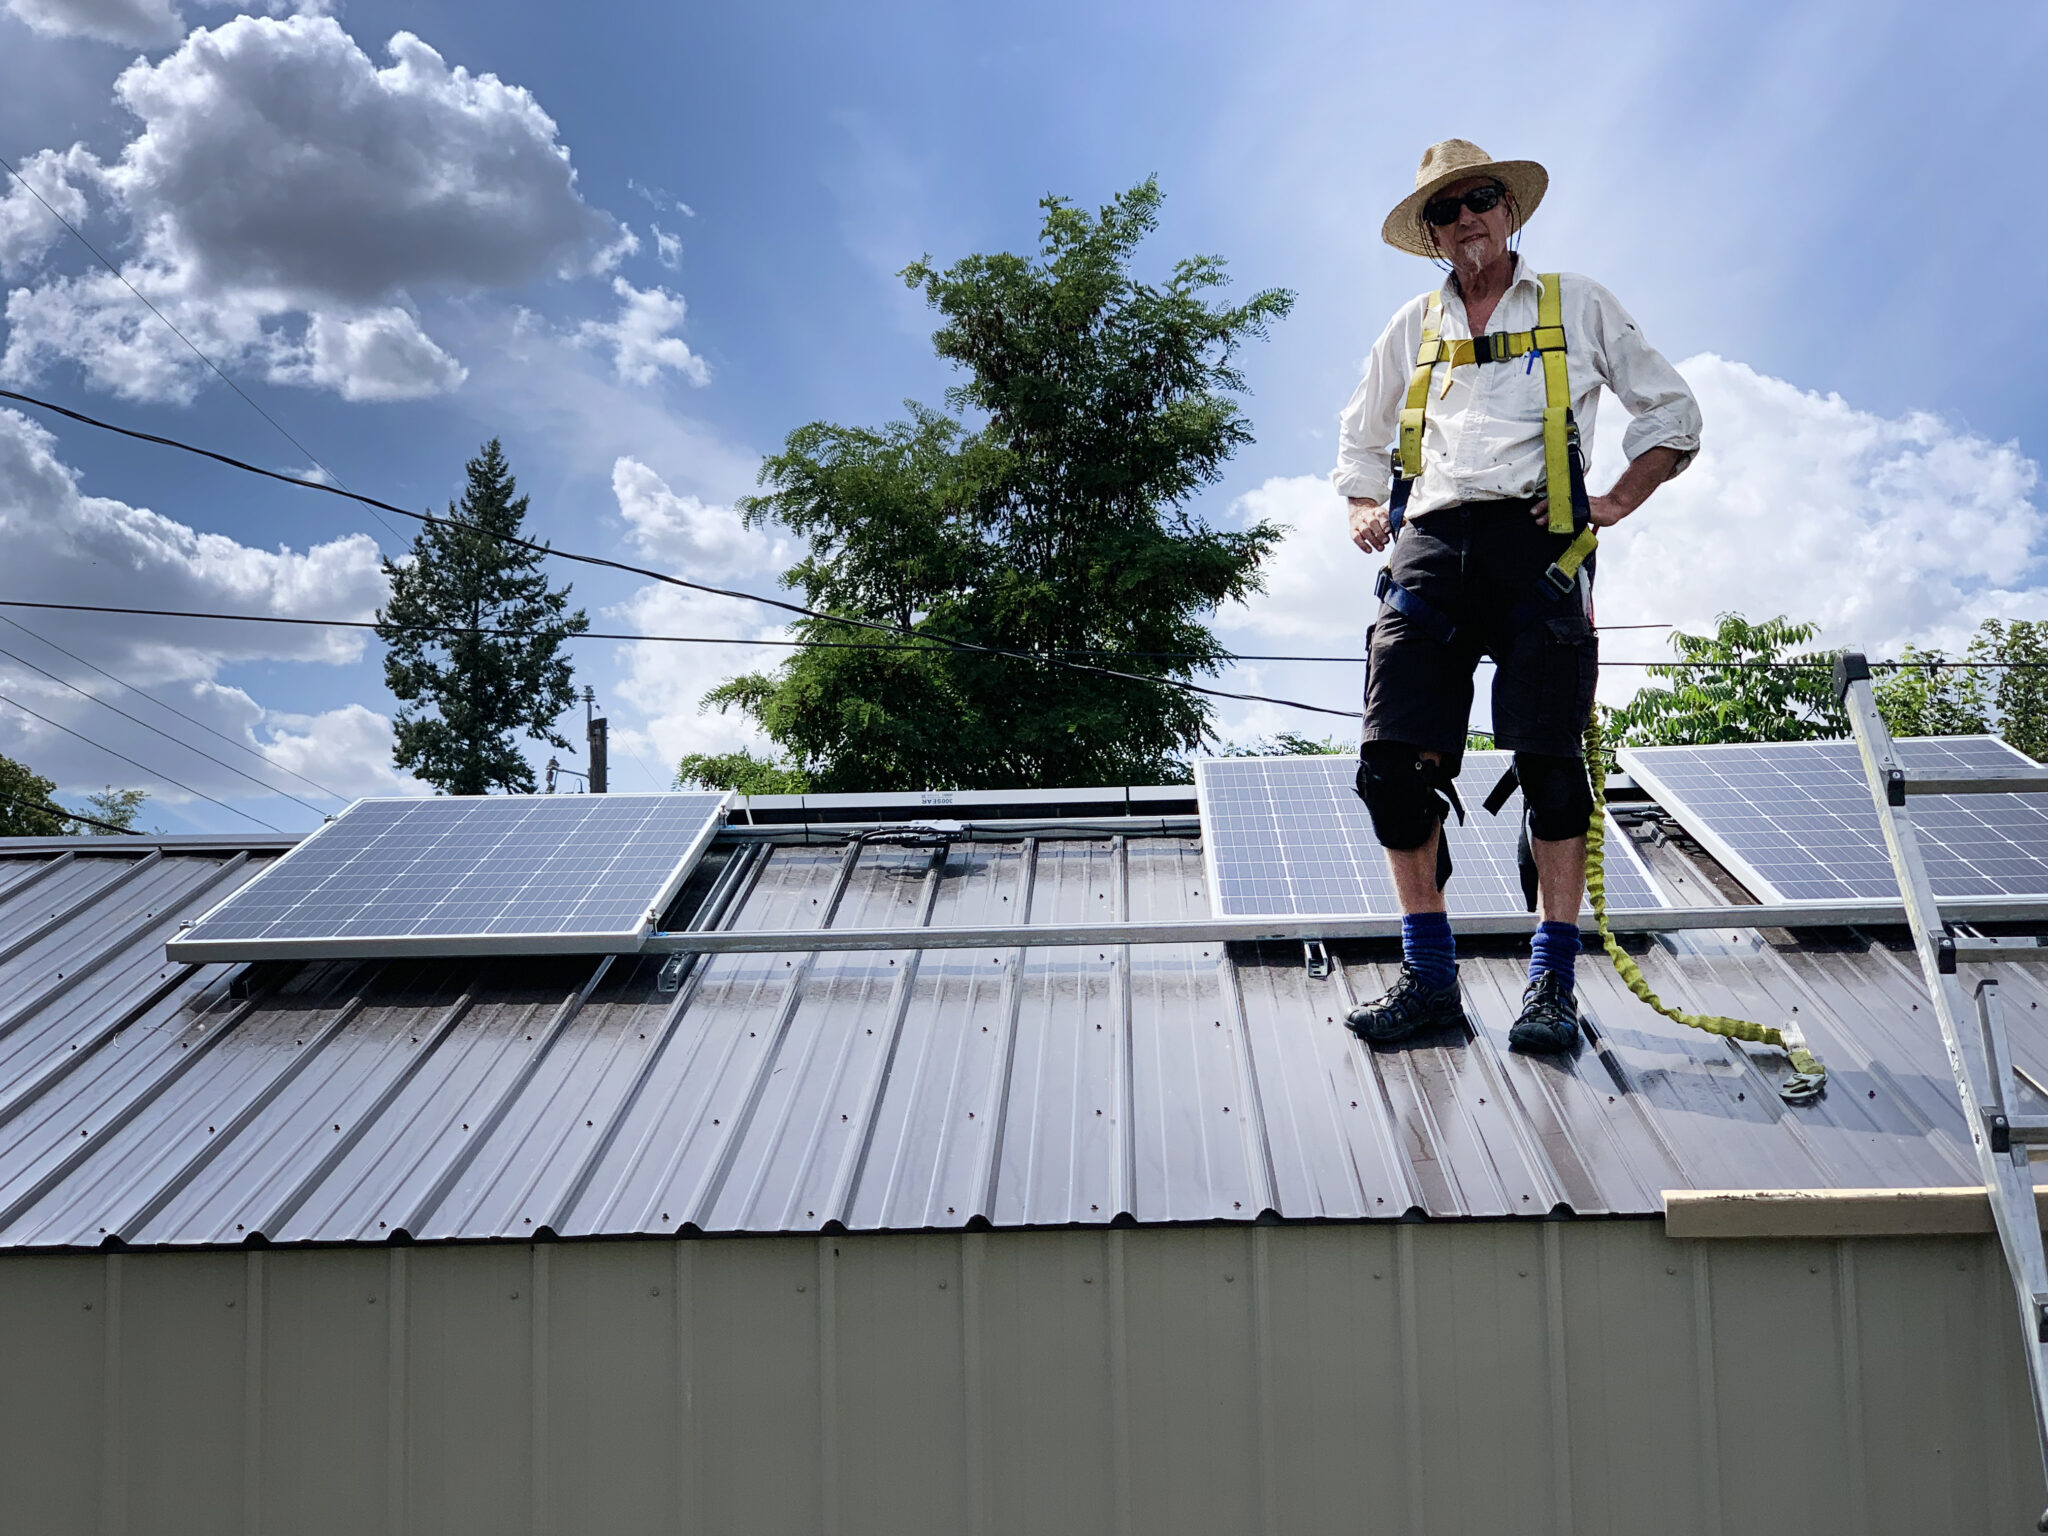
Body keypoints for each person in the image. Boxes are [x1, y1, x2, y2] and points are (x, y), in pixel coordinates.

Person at [1332, 138, 1701, 1053]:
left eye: (1481, 199)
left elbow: (1674, 414)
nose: (1466, 219)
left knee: (1550, 765)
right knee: (1391, 769)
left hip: (1540, 550)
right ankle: (1430, 982)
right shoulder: (1412, 326)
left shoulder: (1578, 303)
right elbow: (1359, 440)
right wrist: (1364, 504)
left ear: (1512, 210)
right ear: (1432, 234)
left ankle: (1553, 985)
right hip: (1432, 549)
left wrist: (1615, 499)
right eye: (1446, 210)